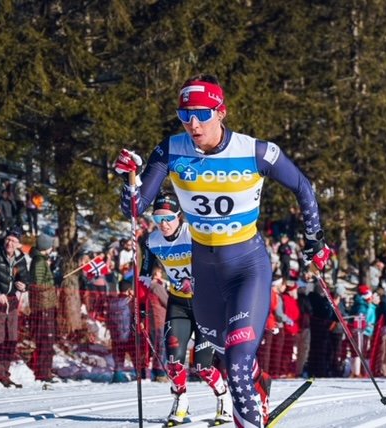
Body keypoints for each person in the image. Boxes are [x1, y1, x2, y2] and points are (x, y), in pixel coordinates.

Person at [115, 73, 330, 427]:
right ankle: (260, 384)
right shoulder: (170, 149)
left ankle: (250, 402)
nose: (193, 124)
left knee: (238, 363)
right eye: (185, 115)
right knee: (224, 360)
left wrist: (314, 238)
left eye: (201, 114)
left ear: (221, 112)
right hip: (206, 273)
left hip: (247, 266)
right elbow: (135, 209)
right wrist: (131, 178)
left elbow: (303, 186)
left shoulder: (256, 150)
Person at [138, 192, 231, 426]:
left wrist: (199, 278)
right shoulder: (152, 241)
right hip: (179, 303)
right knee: (174, 360)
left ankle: (223, 397)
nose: (164, 224)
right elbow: (145, 276)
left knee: (202, 366)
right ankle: (180, 402)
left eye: (168, 218)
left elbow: (218, 261)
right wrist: (139, 300)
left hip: (206, 305)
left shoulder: (194, 234)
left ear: (179, 216)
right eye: (158, 220)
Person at [0, 227, 29, 388]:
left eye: (14, 241)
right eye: (8, 239)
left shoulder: (20, 260)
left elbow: (25, 277)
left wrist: (23, 285)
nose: (10, 243)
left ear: (19, 244)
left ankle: (6, 372)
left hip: (12, 303)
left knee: (11, 339)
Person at [28, 233, 58, 382]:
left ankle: (45, 370)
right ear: (46, 247)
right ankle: (43, 372)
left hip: (46, 304)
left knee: (48, 340)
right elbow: (37, 285)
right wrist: (54, 282)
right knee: (45, 340)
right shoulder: (39, 261)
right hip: (43, 306)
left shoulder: (41, 261)